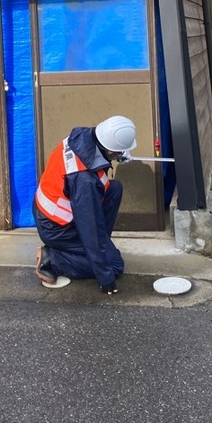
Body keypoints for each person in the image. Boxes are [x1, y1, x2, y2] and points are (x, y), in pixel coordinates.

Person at [33, 115, 137, 294]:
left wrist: (118, 155)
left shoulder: (82, 137)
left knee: (114, 189)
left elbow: (98, 159)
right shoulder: (83, 181)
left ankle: (97, 249)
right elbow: (90, 227)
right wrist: (105, 277)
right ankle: (53, 259)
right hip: (58, 229)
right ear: (111, 150)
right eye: (118, 152)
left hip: (53, 212)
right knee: (114, 265)